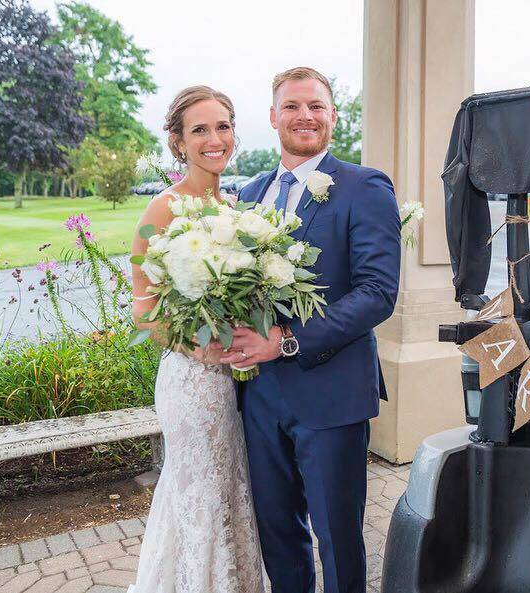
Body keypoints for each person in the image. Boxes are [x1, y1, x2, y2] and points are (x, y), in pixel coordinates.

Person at [212, 67, 400, 593]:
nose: (305, 116)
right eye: (292, 106)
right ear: (273, 117)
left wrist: (286, 341)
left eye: (316, 106)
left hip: (331, 394)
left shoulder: (364, 187)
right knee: (278, 535)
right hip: (260, 397)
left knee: (337, 539)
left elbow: (377, 292)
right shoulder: (248, 194)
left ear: (332, 117)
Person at [127, 85, 265, 593]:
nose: (214, 139)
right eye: (200, 129)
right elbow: (143, 306)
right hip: (193, 381)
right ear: (178, 142)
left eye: (223, 126)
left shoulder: (236, 208)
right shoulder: (163, 209)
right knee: (200, 496)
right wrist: (195, 345)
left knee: (230, 493)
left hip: (237, 377)